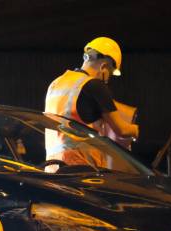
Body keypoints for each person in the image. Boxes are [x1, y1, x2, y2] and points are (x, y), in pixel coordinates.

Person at [45, 36, 139, 167]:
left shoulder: (56, 83)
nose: (107, 79)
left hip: (52, 166)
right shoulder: (94, 86)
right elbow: (121, 130)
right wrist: (135, 130)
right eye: (110, 73)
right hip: (80, 168)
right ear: (104, 67)